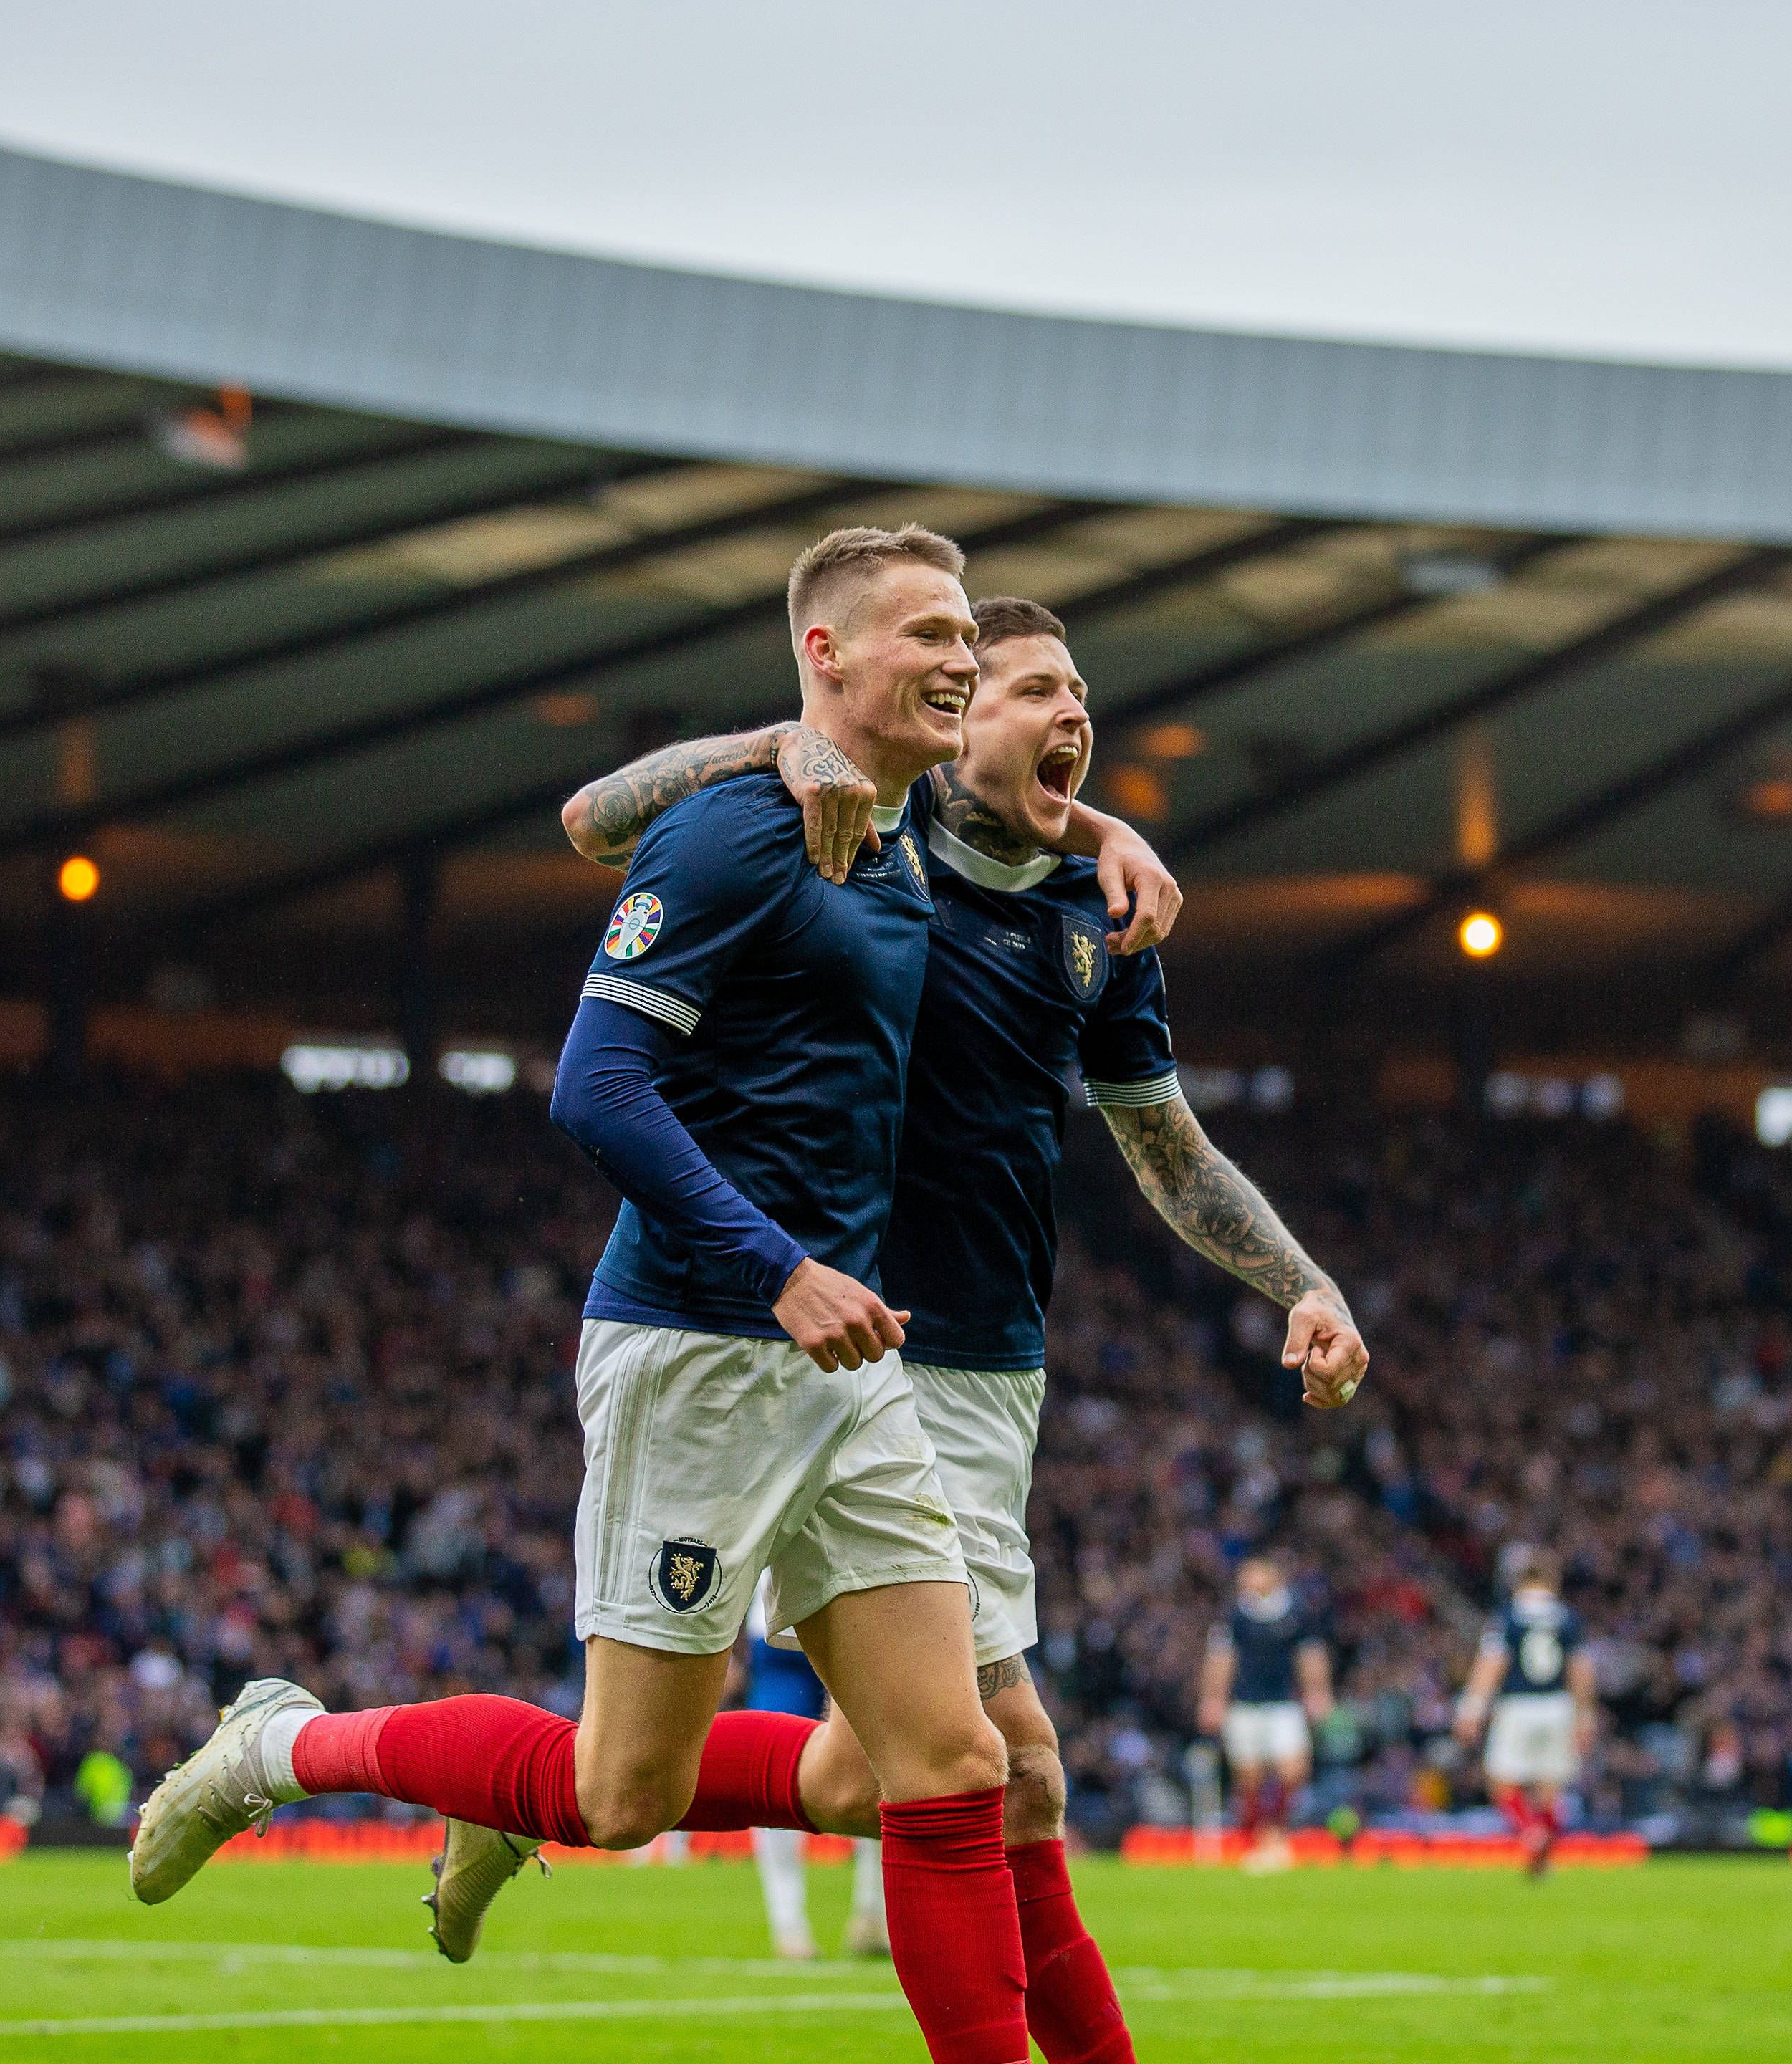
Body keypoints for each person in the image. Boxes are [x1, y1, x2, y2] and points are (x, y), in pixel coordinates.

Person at [132, 526, 1055, 2064]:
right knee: (619, 1795)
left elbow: (1030, 807)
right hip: (703, 1343)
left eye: (971, 633)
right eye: (926, 634)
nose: (961, 658)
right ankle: (280, 1746)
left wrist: (1108, 839)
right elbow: (596, 1086)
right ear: (823, 654)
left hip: (850, 1362)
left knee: (935, 1764)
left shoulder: (896, 835)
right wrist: (781, 1269)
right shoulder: (734, 833)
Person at [523, 592, 1367, 2059]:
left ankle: (533, 1787)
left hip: (997, 1371)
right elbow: (597, 818)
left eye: (1076, 694)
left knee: (869, 1778)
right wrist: (777, 743)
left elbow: (1166, 1150)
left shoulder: (1100, 920)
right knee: (1004, 1771)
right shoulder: (865, 836)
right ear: (951, 716)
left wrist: (1302, 1281)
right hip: (854, 1346)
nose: (1064, 713)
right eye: (1026, 686)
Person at [737, 1596, 888, 1961]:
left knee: (882, 1766)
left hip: (857, 1625)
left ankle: (874, 1914)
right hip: (782, 1635)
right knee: (770, 1772)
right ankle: (789, 1925)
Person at [1453, 1548, 1597, 1878]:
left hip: (1518, 1704)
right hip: (1558, 1704)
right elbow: (1580, 1670)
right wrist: (1586, 1715)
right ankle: (1544, 1856)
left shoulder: (1507, 1617)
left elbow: (1492, 1664)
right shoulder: (1568, 1618)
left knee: (1501, 1781)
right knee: (1551, 1786)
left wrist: (1472, 1708)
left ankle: (1531, 1834)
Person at [1197, 1556, 1333, 1873]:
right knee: (1249, 1777)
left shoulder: (1297, 1612)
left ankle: (1277, 1832)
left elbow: (1311, 1654)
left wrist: (1318, 1691)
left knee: (1292, 1770)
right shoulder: (1233, 1617)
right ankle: (1259, 1841)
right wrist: (1213, 1699)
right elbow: (1220, 1659)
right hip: (1244, 1706)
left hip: (1283, 1703)